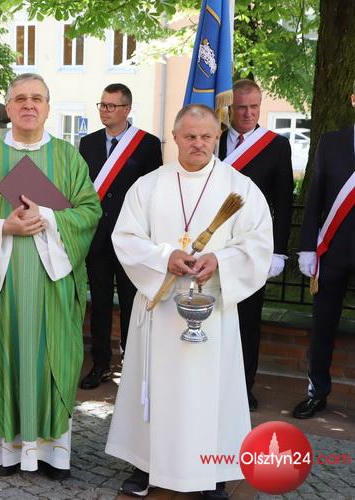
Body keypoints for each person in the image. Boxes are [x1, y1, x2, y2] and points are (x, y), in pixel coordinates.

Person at [105, 104, 273, 498]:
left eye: (206, 137)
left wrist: (220, 261)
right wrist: (165, 258)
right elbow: (125, 238)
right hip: (160, 308)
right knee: (154, 387)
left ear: (218, 137)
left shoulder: (240, 188)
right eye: (190, 136)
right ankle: (146, 464)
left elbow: (258, 244)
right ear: (175, 137)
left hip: (212, 310)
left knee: (211, 392)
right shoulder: (148, 186)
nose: (198, 143)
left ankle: (212, 473)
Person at [0, 74, 101, 479]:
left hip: (53, 284)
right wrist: (4, 226)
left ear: (48, 107)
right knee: (7, 360)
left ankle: (52, 455)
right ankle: (5, 453)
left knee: (53, 360)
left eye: (37, 98)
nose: (28, 105)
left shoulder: (68, 158)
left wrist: (47, 216)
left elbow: (90, 212)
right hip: (4, 286)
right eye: (20, 99)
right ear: (8, 108)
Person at [78, 83, 163, 390]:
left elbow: (154, 192)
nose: (105, 111)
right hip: (98, 239)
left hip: (131, 238)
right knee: (99, 303)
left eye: (111, 106)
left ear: (127, 109)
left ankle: (132, 365)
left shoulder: (147, 144)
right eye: (102, 105)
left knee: (131, 302)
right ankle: (100, 363)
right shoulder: (87, 143)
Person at [218, 79, 293, 411]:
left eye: (254, 107)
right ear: (230, 108)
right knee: (214, 316)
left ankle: (243, 386)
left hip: (251, 247)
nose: (248, 113)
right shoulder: (214, 140)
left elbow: (284, 202)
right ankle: (213, 383)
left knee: (248, 320)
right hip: (214, 244)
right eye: (241, 107)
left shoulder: (276, 146)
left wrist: (279, 250)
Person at [295, 85, 355, 419]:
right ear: (353, 100)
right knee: (323, 327)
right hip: (332, 251)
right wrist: (307, 247)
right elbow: (315, 196)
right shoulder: (331, 142)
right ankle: (317, 392)